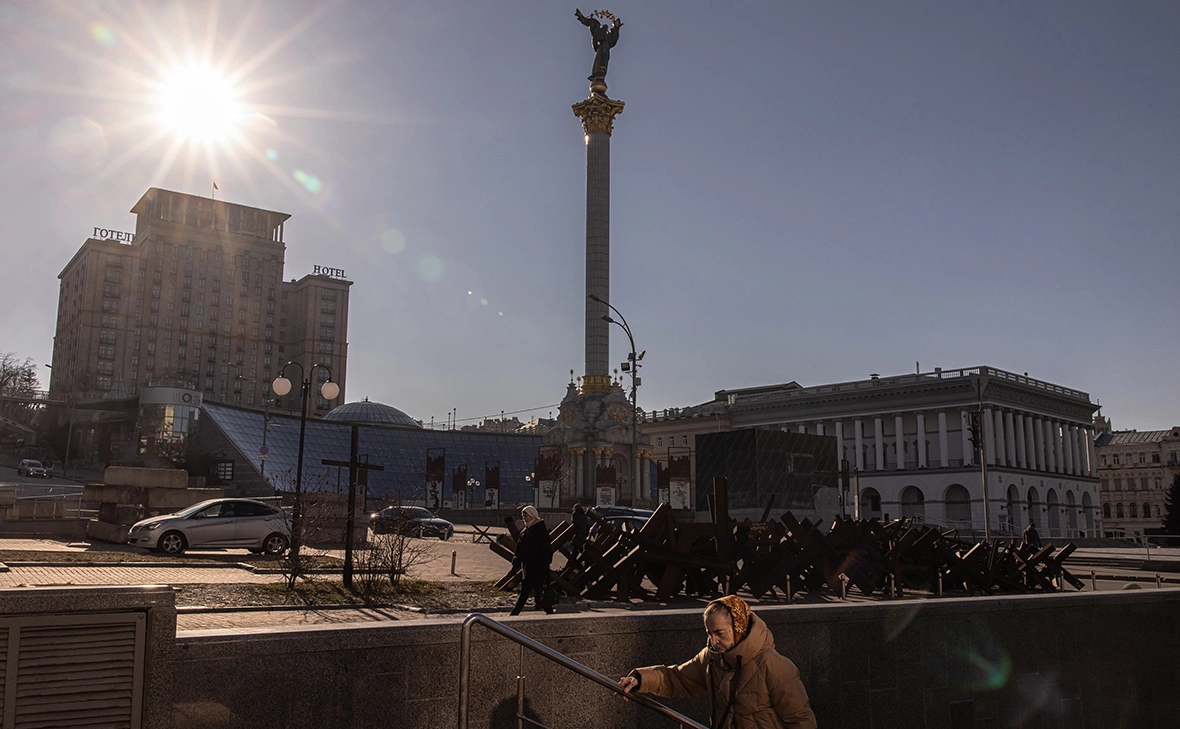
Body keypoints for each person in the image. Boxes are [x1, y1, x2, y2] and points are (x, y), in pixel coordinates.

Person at [619, 595, 817, 729]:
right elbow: (677, 679)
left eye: (719, 633)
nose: (713, 641)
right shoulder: (711, 658)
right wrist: (640, 679)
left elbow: (801, 721)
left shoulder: (774, 666)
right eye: (709, 633)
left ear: (738, 628)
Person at [510, 505, 554, 616]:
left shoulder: (539, 530)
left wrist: (545, 565)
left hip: (537, 566)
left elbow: (547, 550)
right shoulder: (526, 530)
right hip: (529, 566)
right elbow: (519, 549)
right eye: (523, 516)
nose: (524, 518)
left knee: (526, 590)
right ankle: (547, 609)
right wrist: (515, 563)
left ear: (532, 516)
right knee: (538, 589)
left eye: (526, 516)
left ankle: (515, 613)